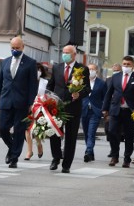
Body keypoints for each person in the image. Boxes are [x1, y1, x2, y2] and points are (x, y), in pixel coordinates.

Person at [0, 37, 38, 168]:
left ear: (23, 47)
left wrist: (31, 103)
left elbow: (32, 85)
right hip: (6, 101)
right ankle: (12, 147)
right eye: (13, 48)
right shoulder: (5, 62)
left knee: (19, 130)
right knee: (2, 128)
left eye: (17, 48)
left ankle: (14, 158)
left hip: (22, 103)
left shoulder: (30, 63)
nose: (15, 50)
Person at [46, 45, 90, 173]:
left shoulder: (82, 69)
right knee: (54, 133)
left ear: (74, 54)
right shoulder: (57, 67)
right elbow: (51, 85)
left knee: (71, 137)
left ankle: (67, 164)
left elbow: (87, 89)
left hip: (73, 108)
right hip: (57, 107)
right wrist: (46, 97)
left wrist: (79, 94)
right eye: (63, 52)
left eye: (67, 53)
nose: (64, 54)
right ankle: (56, 158)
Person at [102, 56, 134, 167]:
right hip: (115, 110)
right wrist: (105, 109)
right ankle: (114, 156)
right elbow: (108, 93)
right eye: (124, 64)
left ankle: (127, 158)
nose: (126, 66)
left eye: (128, 64)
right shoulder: (115, 77)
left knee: (129, 136)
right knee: (112, 132)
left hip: (130, 112)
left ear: (133, 66)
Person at [81, 63, 107, 162]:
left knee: (91, 132)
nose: (90, 71)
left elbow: (105, 97)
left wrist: (104, 109)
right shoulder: (82, 82)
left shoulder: (102, 83)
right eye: (89, 69)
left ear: (96, 71)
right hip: (84, 110)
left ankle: (88, 151)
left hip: (95, 111)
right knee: (86, 132)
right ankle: (91, 153)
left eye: (93, 69)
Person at [25, 63, 48, 160]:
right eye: (36, 69)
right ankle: (29, 151)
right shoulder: (27, 81)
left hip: (40, 108)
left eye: (39, 69)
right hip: (28, 107)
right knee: (27, 129)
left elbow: (48, 94)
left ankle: (39, 145)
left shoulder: (45, 82)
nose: (37, 72)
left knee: (37, 129)